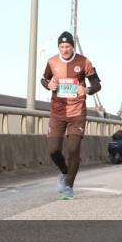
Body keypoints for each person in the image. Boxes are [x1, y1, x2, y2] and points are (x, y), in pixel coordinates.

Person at [41, 31, 101, 200]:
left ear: (73, 47)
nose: (65, 50)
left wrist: (87, 89)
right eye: (61, 47)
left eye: (67, 46)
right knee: (53, 150)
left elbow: (97, 84)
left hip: (77, 112)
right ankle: (65, 172)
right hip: (57, 112)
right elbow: (44, 79)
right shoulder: (52, 62)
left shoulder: (84, 62)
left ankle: (68, 186)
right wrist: (49, 85)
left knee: (73, 149)